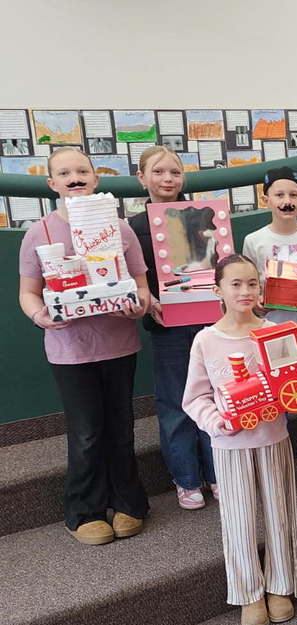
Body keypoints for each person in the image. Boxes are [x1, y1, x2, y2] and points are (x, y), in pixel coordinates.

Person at [18, 147, 151, 545]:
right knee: (87, 432)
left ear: (96, 179)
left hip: (119, 344)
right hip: (69, 350)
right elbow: (28, 293)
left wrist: (136, 306)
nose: (74, 178)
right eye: (64, 172)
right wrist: (41, 316)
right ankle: (84, 511)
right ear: (52, 183)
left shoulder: (120, 230)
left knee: (121, 428)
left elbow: (141, 287)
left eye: (82, 171)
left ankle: (129, 502)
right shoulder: (39, 233)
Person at [182, 255, 297, 625]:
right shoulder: (206, 339)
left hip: (273, 438)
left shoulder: (278, 332)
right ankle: (249, 592)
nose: (245, 291)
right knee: (237, 520)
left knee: (279, 512)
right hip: (229, 445)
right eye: (235, 284)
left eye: (252, 283)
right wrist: (216, 422)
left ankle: (281, 585)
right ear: (217, 289)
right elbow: (194, 398)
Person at [128, 145, 217, 510]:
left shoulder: (203, 216)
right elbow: (133, 280)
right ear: (142, 177)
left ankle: (217, 474)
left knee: (214, 398)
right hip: (166, 328)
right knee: (175, 402)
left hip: (209, 323)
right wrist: (149, 301)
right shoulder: (133, 227)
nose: (167, 179)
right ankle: (185, 478)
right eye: (159, 172)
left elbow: (218, 264)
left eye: (175, 172)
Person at [241, 166, 297, 486]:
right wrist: (256, 301)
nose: (286, 200)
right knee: (272, 389)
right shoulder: (254, 240)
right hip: (270, 329)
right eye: (279, 194)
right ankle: (273, 452)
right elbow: (247, 286)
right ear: (267, 200)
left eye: (293, 194)